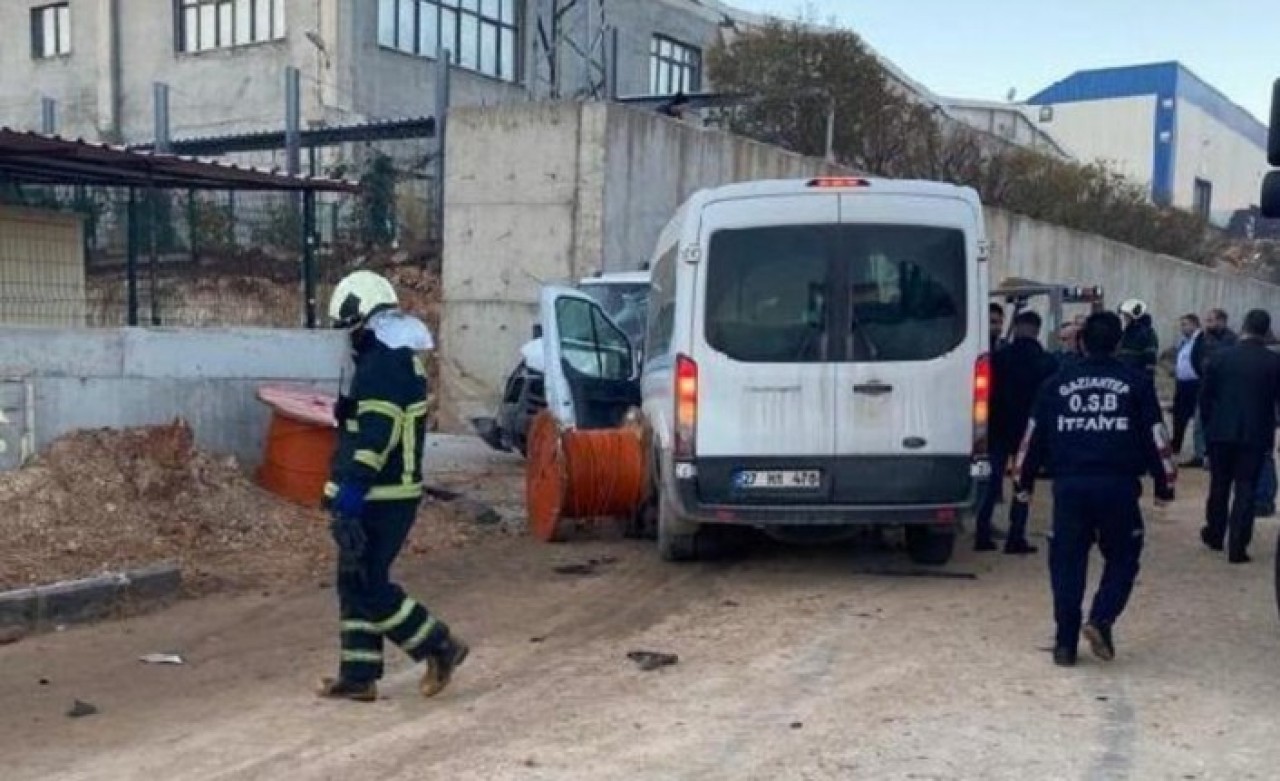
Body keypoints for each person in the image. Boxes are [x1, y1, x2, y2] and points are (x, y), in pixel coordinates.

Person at [318, 270, 469, 702]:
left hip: (381, 496)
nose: (347, 338)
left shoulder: (383, 364)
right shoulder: (394, 358)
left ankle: (439, 646)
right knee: (354, 581)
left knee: (367, 583)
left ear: (363, 320)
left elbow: (376, 437)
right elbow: (370, 424)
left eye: (350, 328)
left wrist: (351, 494)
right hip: (382, 493)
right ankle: (359, 676)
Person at [1015, 311, 1176, 667]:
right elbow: (1156, 438)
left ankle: (1065, 644)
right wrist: (1164, 485)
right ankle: (1101, 618)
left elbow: (1032, 437)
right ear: (1118, 342)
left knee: (1067, 564)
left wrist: (1022, 481)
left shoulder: (1056, 383)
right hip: (1118, 486)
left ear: (1083, 341)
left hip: (1069, 487)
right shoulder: (1135, 383)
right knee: (1123, 556)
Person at [1197, 309, 1280, 564]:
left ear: (1243, 325)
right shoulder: (1274, 362)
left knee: (1219, 484)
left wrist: (1210, 427)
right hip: (1256, 434)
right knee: (1246, 488)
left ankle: (1214, 533)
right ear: (1266, 331)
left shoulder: (1220, 357)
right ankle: (1238, 545)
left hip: (1221, 431)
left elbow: (1205, 397)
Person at [975, 310, 1058, 553]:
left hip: (998, 428)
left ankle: (982, 533)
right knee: (1023, 484)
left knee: (991, 482)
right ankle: (1016, 536)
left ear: (1017, 327)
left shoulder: (998, 358)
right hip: (1029, 432)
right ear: (1037, 330)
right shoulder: (1047, 362)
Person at [1188, 309, 1238, 468]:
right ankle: (1199, 454)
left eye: (1211, 320)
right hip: (1205, 386)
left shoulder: (1232, 340)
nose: (1207, 324)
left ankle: (1214, 457)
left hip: (1224, 390)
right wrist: (1204, 374)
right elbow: (1194, 358)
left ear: (1222, 321)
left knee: (1219, 424)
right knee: (1199, 423)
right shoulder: (1202, 337)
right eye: (1207, 320)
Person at [1171, 314, 1202, 457]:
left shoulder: (1201, 340)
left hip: (1195, 383)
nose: (1182, 328)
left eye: (1185, 324)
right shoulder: (1184, 341)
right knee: (1178, 415)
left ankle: (1200, 451)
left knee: (1197, 418)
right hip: (1182, 383)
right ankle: (1176, 444)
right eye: (1181, 325)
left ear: (1194, 324)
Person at [1117, 299, 1158, 376]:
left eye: (1126, 315)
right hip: (1123, 373)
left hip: (1138, 374)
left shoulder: (1147, 332)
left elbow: (1150, 356)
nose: (1124, 318)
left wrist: (1148, 377)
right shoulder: (1123, 332)